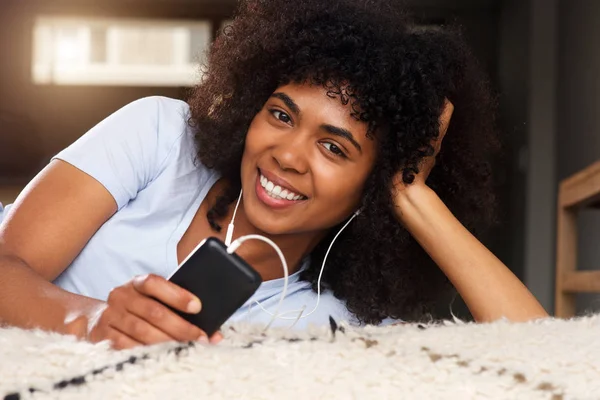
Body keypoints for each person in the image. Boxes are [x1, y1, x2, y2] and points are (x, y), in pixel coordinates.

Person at [0, 0, 548, 350]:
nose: (287, 155)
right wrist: (92, 322)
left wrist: (410, 194)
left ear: (371, 185)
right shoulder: (162, 136)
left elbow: (548, 358)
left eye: (334, 147)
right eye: (281, 115)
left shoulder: (335, 321)